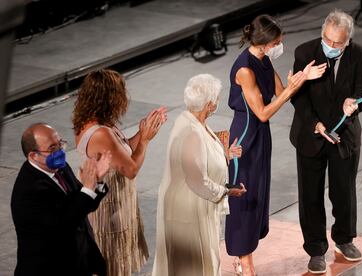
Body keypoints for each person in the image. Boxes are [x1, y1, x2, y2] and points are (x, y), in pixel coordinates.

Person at [224, 14, 327, 275]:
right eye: (278, 41)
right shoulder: (245, 70)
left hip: (262, 137)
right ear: (266, 42)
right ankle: (244, 261)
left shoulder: (264, 61)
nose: (281, 44)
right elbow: (263, 112)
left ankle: (244, 254)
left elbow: (282, 91)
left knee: (258, 195)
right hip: (246, 135)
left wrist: (303, 77)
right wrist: (293, 89)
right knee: (243, 196)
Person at [289, 9, 362, 274]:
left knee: (344, 191)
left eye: (338, 43)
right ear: (322, 33)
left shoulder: (360, 56)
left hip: (343, 135)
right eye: (328, 40)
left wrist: (354, 104)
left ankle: (343, 238)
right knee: (310, 195)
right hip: (311, 134)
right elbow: (297, 96)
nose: (332, 47)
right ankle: (315, 249)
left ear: (348, 40)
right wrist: (316, 124)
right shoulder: (304, 52)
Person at [72, 69, 167, 276]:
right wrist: (145, 140)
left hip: (114, 202)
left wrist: (142, 132)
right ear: (111, 97)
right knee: (111, 268)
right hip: (110, 209)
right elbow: (131, 169)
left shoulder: (97, 123)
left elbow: (122, 151)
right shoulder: (101, 132)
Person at [152, 74, 247, 276]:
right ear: (210, 104)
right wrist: (227, 191)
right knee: (193, 267)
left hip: (194, 206)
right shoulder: (192, 132)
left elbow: (203, 159)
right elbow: (198, 181)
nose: (218, 102)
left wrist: (226, 155)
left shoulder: (195, 122)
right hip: (187, 213)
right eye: (217, 99)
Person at [11, 123, 111, 276]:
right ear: (33, 155)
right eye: (52, 149)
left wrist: (96, 181)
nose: (59, 151)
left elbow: (81, 203)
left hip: (78, 262)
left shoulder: (61, 167)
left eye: (60, 144)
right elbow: (63, 223)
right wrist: (88, 188)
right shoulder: (29, 191)